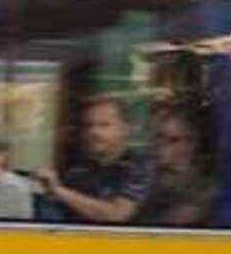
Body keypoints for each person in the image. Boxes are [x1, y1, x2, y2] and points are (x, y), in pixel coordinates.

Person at [35, 96, 147, 224]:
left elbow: (116, 215)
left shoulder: (140, 166)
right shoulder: (78, 171)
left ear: (125, 129)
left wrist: (58, 190)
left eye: (104, 125)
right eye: (88, 126)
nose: (94, 132)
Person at [133, 107, 219, 226]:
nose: (160, 145)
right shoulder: (145, 175)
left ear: (190, 144)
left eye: (172, 140)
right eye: (158, 137)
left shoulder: (204, 189)